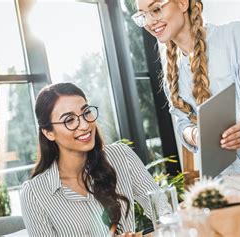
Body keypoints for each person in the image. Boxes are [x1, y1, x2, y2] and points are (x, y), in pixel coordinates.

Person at [132, 0, 240, 176]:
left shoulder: (233, 35)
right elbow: (183, 124)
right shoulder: (171, 75)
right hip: (229, 180)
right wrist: (196, 135)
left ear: (182, 3)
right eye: (143, 16)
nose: (150, 22)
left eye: (156, 9)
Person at [20, 82, 163, 236]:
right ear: (49, 133)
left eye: (86, 112)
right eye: (69, 120)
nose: (84, 125)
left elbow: (165, 213)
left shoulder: (122, 156)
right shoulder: (34, 194)